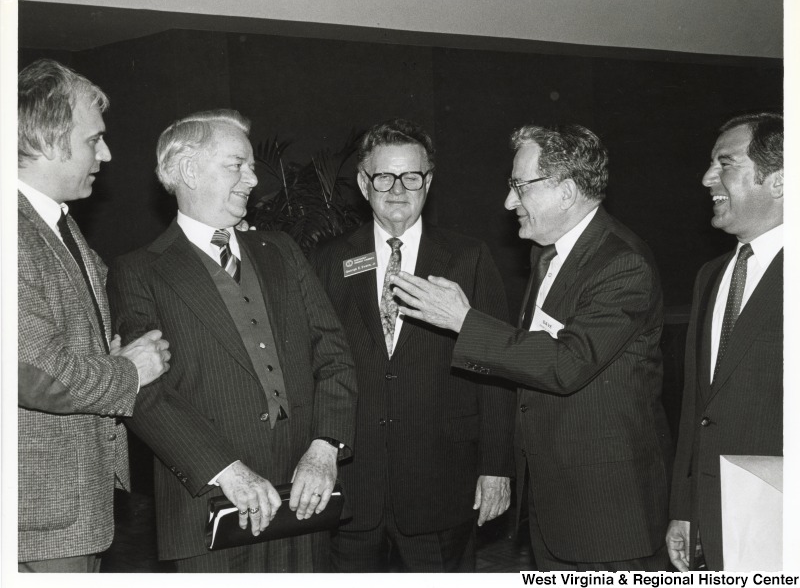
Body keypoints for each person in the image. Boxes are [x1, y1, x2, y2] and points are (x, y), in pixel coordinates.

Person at [390, 123, 672, 571]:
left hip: (606, 510)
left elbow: (567, 364)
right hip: (554, 498)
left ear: (566, 191)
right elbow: (529, 357)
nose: (509, 201)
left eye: (520, 186)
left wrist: (464, 321)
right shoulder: (548, 252)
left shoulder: (622, 264)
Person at [106, 109, 357, 572]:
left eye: (251, 166)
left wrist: (325, 448)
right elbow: (143, 391)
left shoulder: (282, 250)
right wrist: (227, 471)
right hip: (210, 504)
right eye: (237, 165)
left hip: (304, 492)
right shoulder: (138, 271)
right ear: (188, 171)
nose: (253, 180)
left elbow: (334, 355)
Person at [311, 118, 515, 572]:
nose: (398, 189)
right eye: (384, 176)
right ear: (364, 184)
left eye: (412, 176)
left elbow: (498, 369)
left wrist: (497, 466)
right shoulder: (330, 259)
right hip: (354, 487)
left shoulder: (468, 258)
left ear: (429, 182)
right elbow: (316, 365)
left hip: (441, 483)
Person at [17, 58, 171, 572]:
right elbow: (37, 373)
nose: (105, 154)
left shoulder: (54, 222)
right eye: (93, 140)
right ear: (47, 140)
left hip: (71, 509)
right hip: (37, 521)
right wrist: (129, 371)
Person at [665, 113, 783, 572]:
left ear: (778, 180)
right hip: (712, 519)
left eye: (725, 163)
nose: (706, 178)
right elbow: (697, 406)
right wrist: (684, 507)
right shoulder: (711, 276)